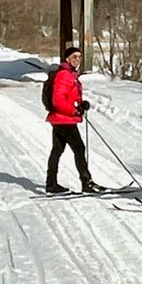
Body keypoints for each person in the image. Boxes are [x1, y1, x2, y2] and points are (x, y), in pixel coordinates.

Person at [44, 46, 106, 194]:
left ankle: (51, 184)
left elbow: (70, 96)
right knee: (79, 148)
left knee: (57, 151)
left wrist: (81, 103)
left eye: (79, 57)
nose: (77, 60)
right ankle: (86, 182)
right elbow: (58, 100)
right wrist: (74, 110)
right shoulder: (64, 75)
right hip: (64, 119)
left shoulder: (70, 74)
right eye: (74, 57)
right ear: (67, 59)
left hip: (60, 119)